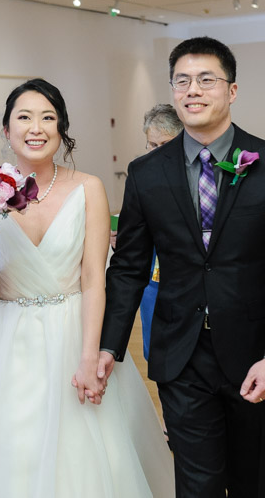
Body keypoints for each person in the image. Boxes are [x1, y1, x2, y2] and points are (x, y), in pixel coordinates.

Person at [0, 79, 174, 497]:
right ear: (7, 129)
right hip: (7, 341)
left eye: (47, 117)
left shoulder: (88, 188)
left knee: (85, 455)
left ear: (61, 127)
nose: (36, 128)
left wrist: (90, 356)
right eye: (24, 117)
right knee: (11, 452)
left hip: (74, 332)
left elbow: (94, 279)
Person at [101, 36, 265, 497]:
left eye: (205, 80)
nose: (192, 90)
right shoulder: (146, 173)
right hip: (180, 354)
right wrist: (108, 346)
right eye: (182, 81)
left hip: (253, 355)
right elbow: (129, 268)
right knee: (196, 484)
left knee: (249, 481)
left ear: (232, 90)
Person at [109, 104, 183, 360]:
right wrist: (120, 240)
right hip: (154, 274)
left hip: (187, 273)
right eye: (152, 145)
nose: (158, 152)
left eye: (166, 144)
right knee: (158, 349)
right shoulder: (140, 173)